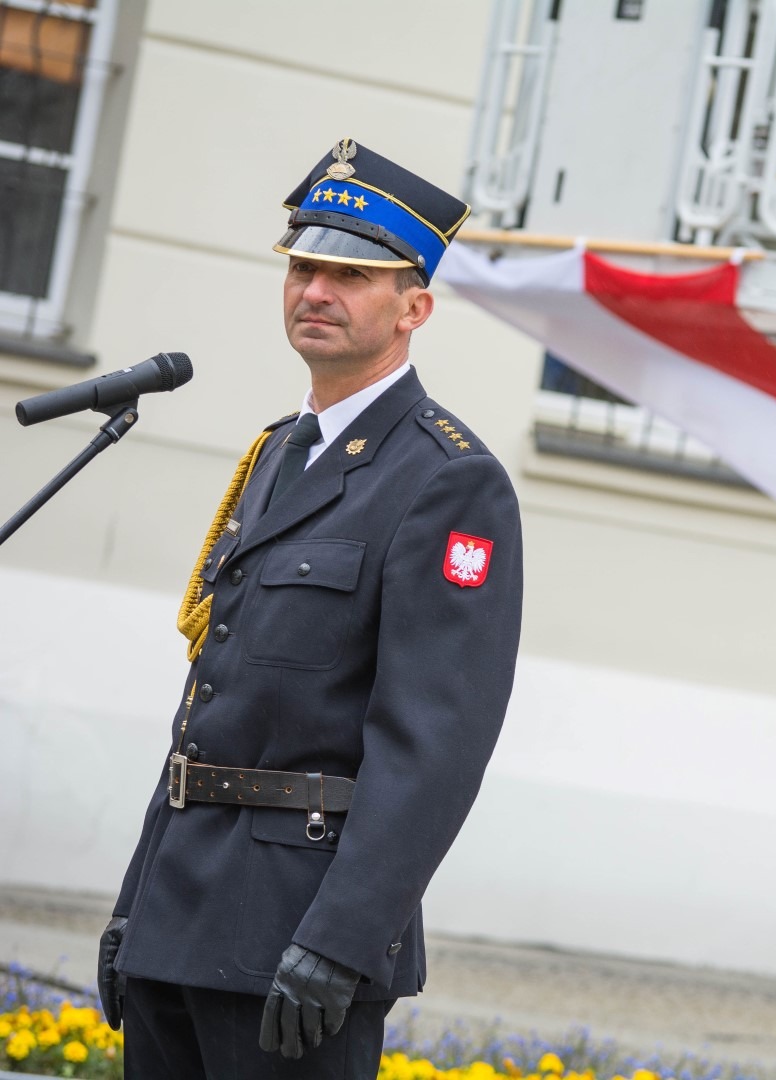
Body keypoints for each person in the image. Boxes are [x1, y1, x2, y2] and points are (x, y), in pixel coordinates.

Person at [95, 138, 524, 1077]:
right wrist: (135, 902)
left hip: (294, 929)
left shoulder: (447, 481)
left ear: (414, 308)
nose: (315, 291)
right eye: (302, 268)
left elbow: (435, 743)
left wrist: (344, 938)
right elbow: (208, 706)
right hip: (178, 913)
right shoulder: (277, 454)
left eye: (351, 276)